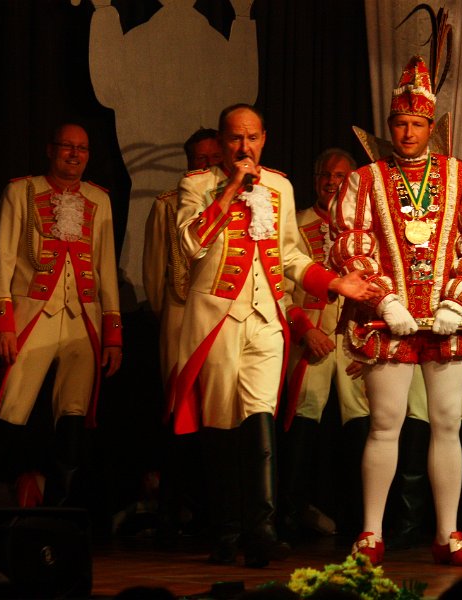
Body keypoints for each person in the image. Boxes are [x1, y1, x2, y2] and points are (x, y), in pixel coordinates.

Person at [171, 104, 376, 568]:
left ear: (264, 138)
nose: (244, 147)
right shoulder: (197, 185)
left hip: (266, 317)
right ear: (222, 141)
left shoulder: (280, 186)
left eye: (252, 138)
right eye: (235, 138)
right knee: (223, 423)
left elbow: (291, 256)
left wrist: (335, 282)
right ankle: (226, 531)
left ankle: (261, 531)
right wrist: (229, 193)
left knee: (260, 415)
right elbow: (189, 244)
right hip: (218, 318)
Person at [331, 55, 462, 567]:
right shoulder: (365, 178)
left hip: (447, 320)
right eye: (400, 124)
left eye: (417, 124)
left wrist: (456, 300)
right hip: (388, 320)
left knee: (447, 422)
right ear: (390, 126)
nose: (408, 132)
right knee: (385, 423)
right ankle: (370, 533)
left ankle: (449, 534)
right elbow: (350, 242)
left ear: (432, 127)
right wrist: (383, 298)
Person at [0, 123, 123, 506]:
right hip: (33, 313)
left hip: (83, 317)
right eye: (67, 146)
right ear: (51, 149)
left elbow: (106, 268)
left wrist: (113, 333)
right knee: (12, 404)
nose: (74, 154)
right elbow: (1, 258)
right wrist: (2, 323)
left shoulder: (99, 199)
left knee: (74, 411)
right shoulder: (21, 192)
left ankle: (61, 508)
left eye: (82, 148)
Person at [386, 222, 462, 552]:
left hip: (460, 336)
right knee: (414, 425)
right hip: (411, 334)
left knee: (457, 426)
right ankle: (409, 522)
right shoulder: (413, 214)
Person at [280, 148, 370, 540]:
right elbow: (279, 286)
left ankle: (362, 523)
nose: (331, 182)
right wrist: (303, 329)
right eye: (325, 175)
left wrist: (370, 342)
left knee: (360, 429)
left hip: (354, 341)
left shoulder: (369, 228)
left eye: (340, 176)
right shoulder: (296, 223)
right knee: (301, 429)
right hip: (311, 341)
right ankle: (288, 517)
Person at [141, 128, 222, 540]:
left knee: (216, 412)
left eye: (212, 158)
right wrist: (167, 315)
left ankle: (214, 510)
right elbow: (155, 269)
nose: (205, 165)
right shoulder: (167, 205)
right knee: (178, 411)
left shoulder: (235, 200)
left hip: (220, 315)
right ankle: (172, 510)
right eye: (198, 159)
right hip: (179, 313)